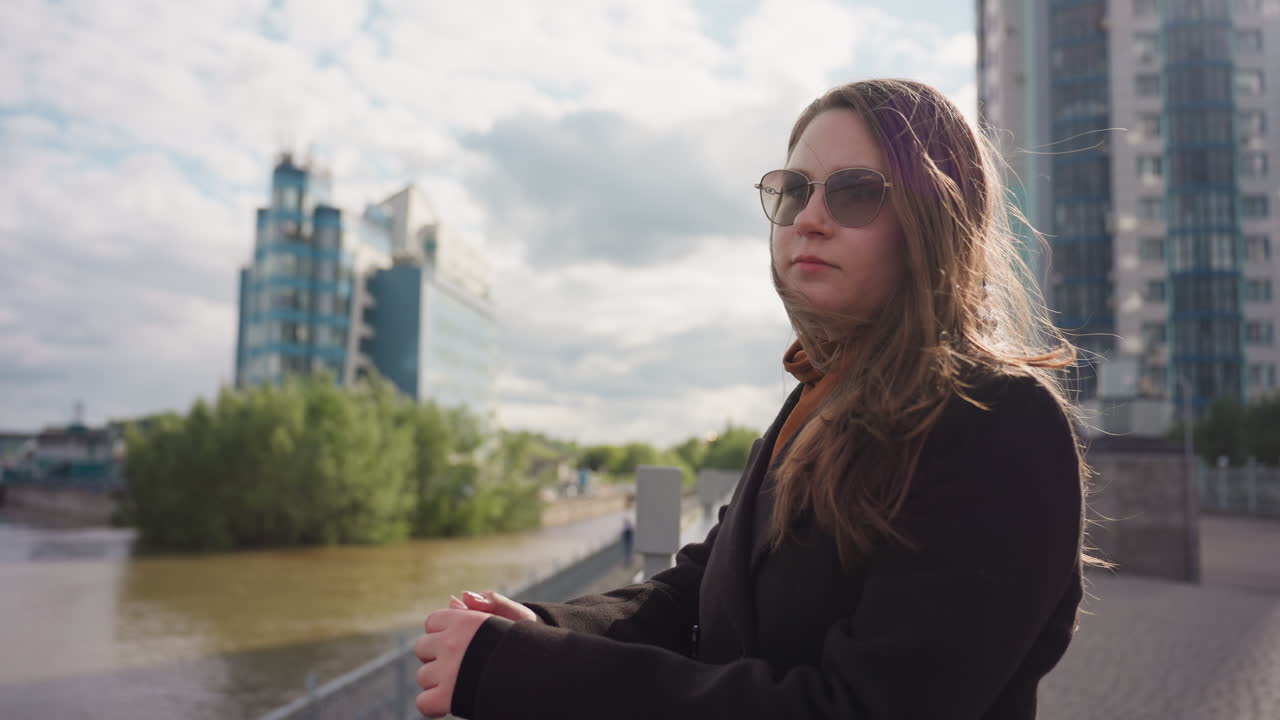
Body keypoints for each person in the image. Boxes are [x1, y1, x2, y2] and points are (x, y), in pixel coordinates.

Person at [413, 78, 1105, 720]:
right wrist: (546, 629)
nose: (809, 218)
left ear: (936, 220)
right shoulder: (821, 397)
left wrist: (537, 673)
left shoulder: (996, 422)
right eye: (792, 191)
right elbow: (702, 587)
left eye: (856, 192)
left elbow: (858, 708)